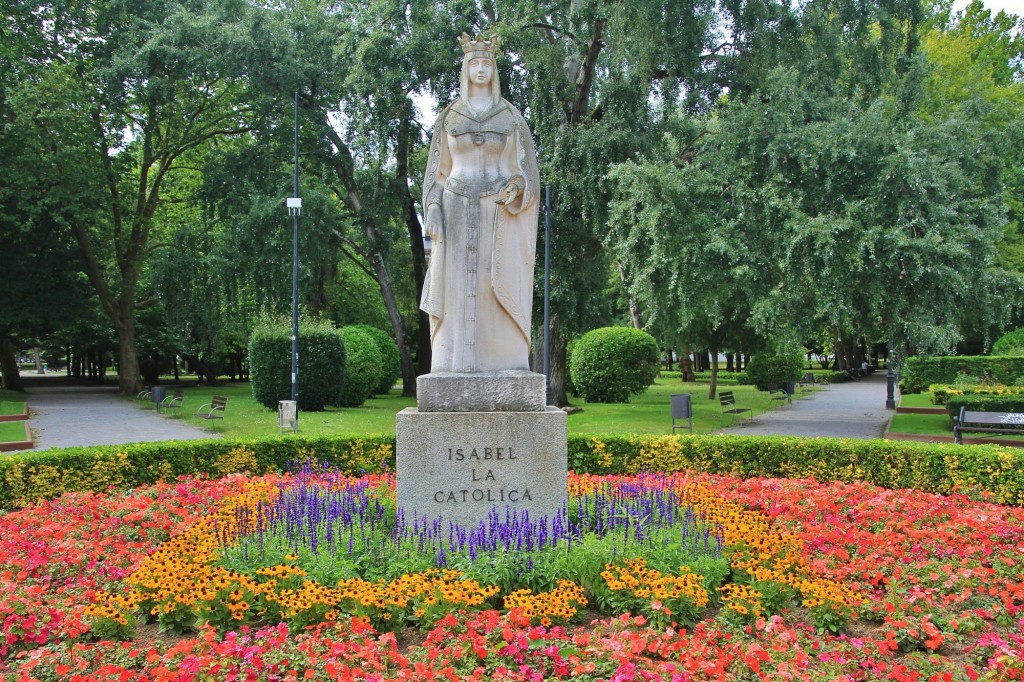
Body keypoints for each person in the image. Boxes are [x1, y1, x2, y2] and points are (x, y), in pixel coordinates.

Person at [420, 33, 540, 374]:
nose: (481, 69)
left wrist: (517, 187)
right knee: (456, 290)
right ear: (465, 69)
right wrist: (433, 208)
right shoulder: (449, 116)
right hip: (456, 209)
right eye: (475, 63)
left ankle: (504, 361)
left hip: (497, 214)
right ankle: (449, 363)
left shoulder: (511, 117)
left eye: (487, 63)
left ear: (495, 70)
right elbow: (435, 173)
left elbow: (526, 170)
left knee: (496, 284)